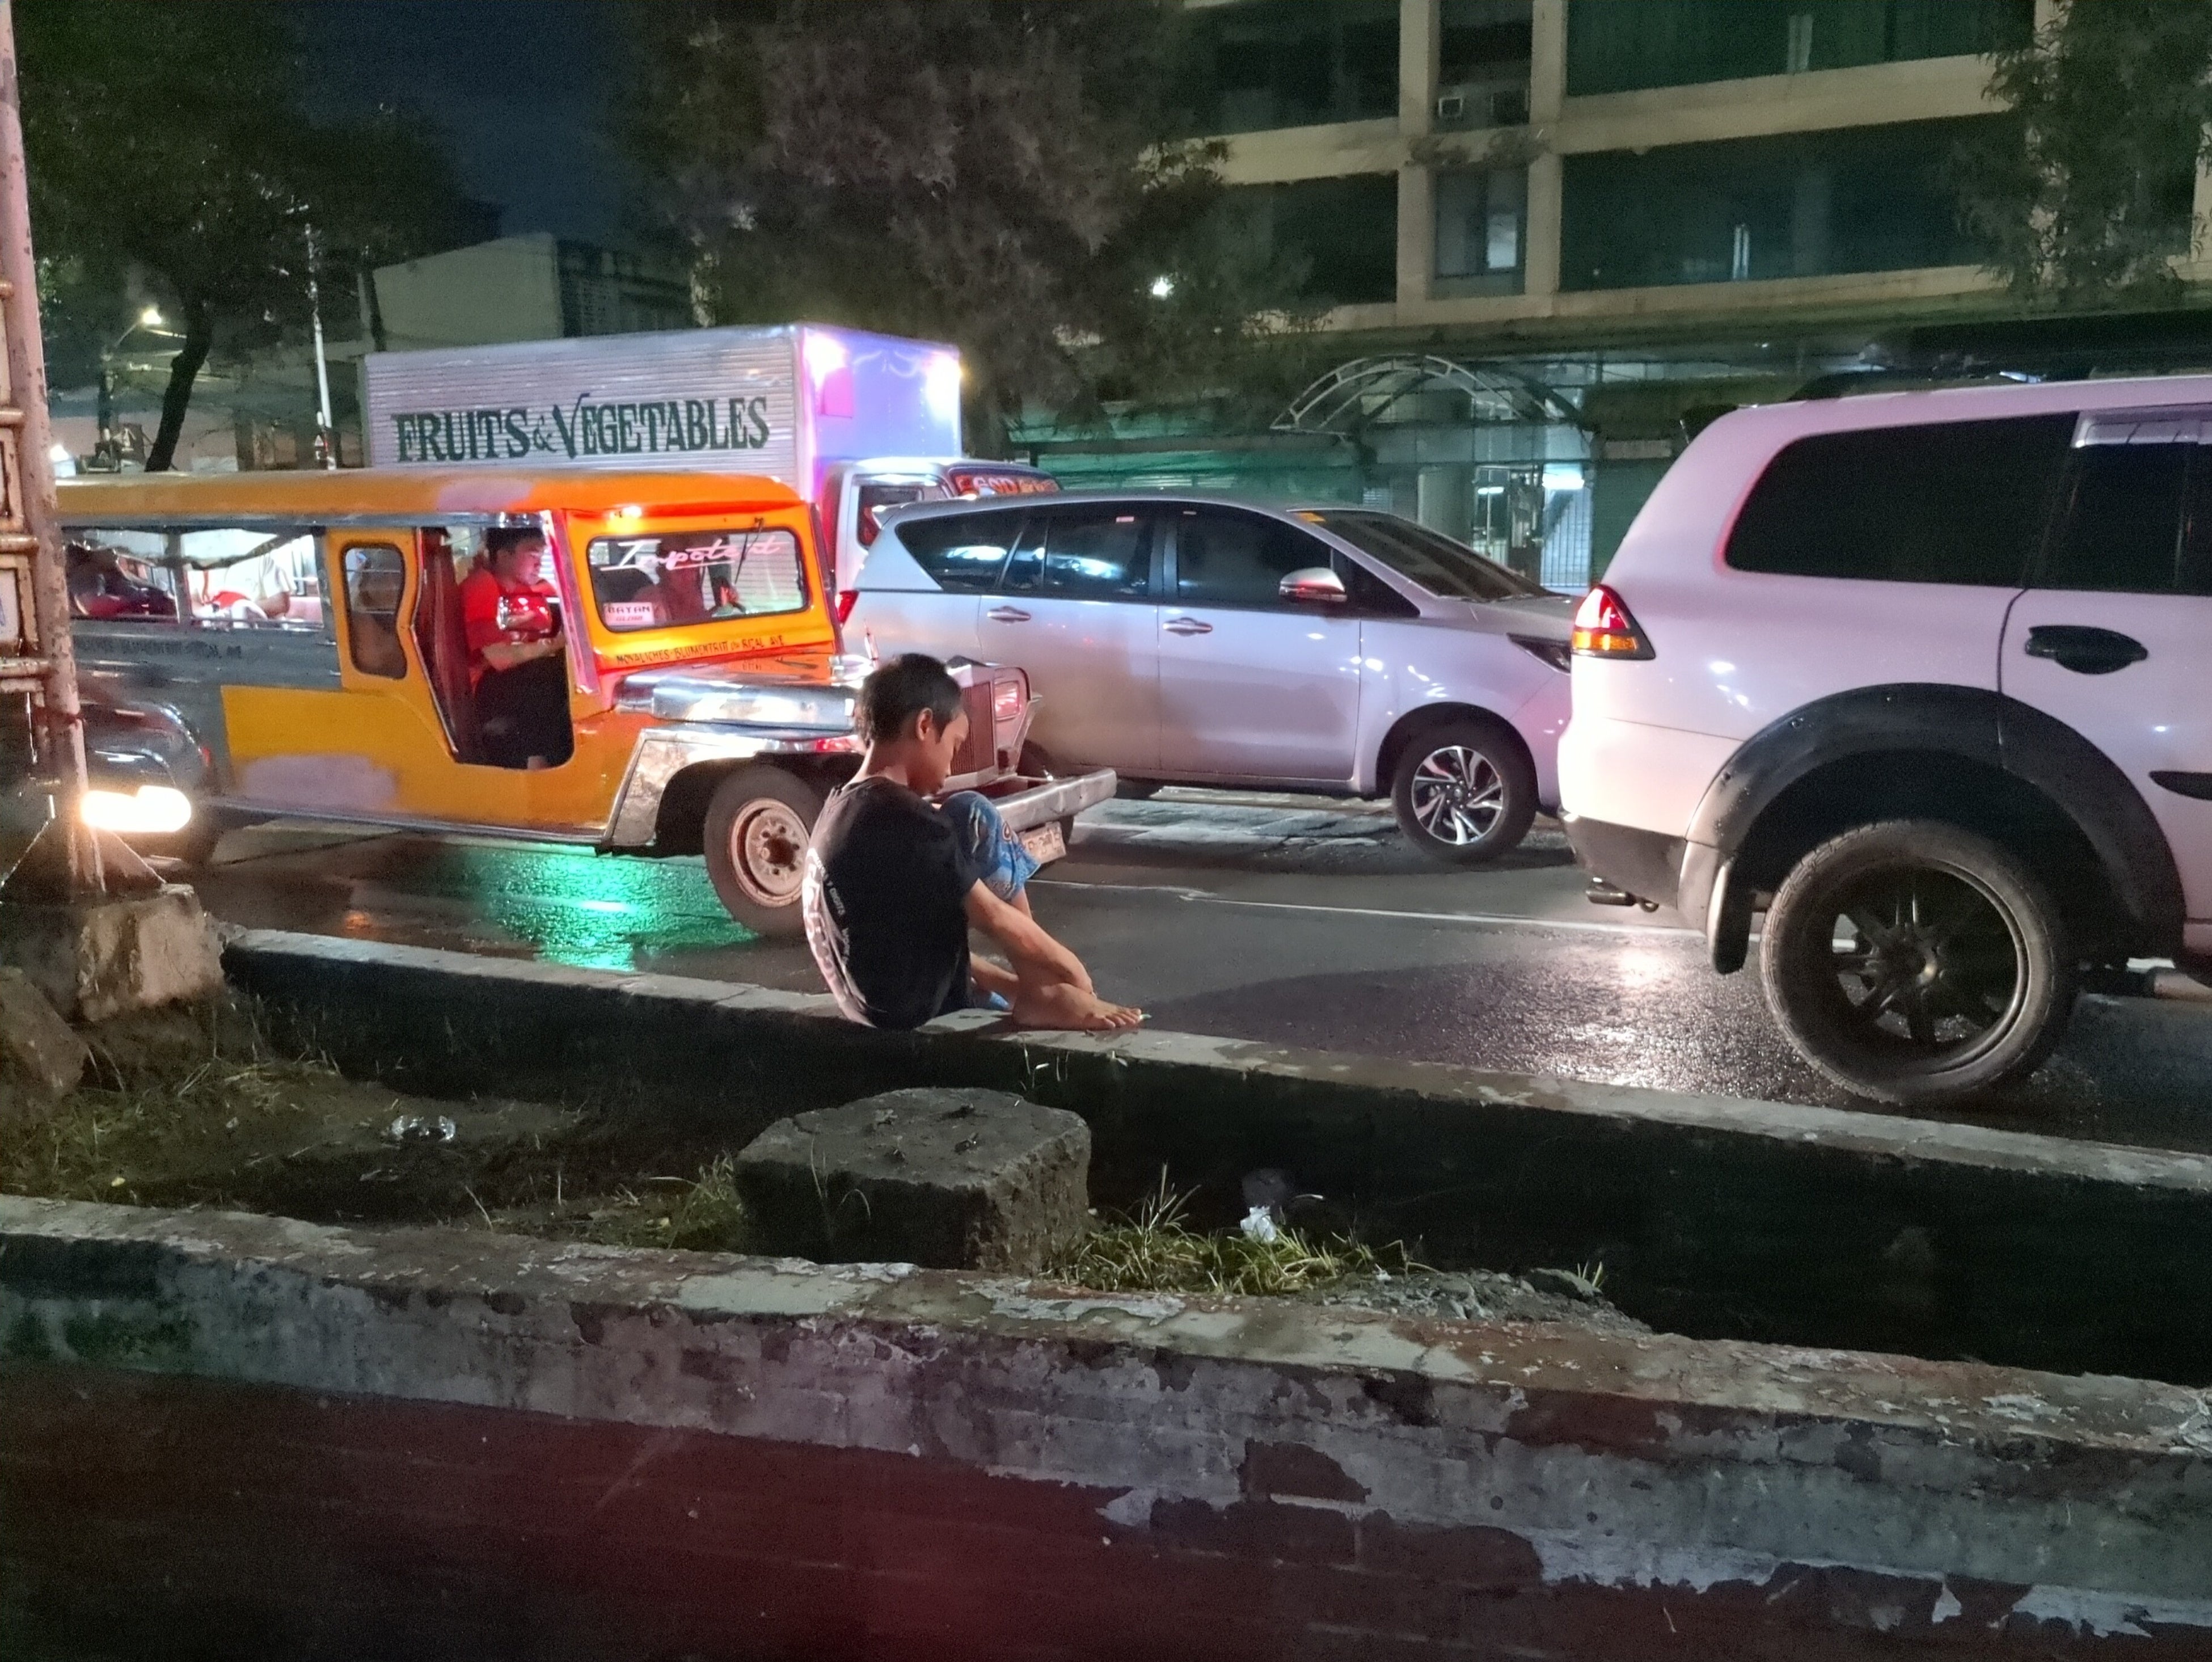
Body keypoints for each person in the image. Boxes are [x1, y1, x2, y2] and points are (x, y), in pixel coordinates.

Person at [803, 653, 1142, 1033]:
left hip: (873, 1002)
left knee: (960, 814)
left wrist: (1013, 986)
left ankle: (1034, 990)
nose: (950, 768)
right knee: (974, 813)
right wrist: (1074, 974)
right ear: (925, 725)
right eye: (955, 745)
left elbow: (903, 941)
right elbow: (993, 918)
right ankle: (1041, 991)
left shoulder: (842, 806)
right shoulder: (904, 817)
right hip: (914, 1010)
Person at [461, 526, 572, 769]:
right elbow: (499, 657)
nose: (539, 564)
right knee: (547, 676)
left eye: (541, 556)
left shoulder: (531, 591)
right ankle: (538, 765)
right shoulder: (482, 585)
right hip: (479, 689)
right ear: (503, 556)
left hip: (509, 682)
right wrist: (556, 643)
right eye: (532, 556)